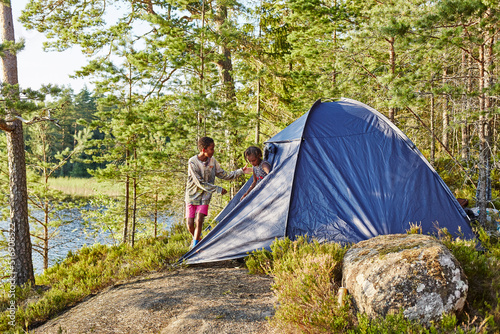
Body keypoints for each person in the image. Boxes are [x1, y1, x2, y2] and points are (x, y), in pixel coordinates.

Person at [185, 136, 252, 248]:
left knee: (199, 220)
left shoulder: (213, 161)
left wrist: (240, 171)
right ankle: (198, 239)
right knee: (190, 225)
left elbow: (223, 174)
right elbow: (199, 183)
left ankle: (195, 247)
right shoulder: (192, 162)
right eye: (211, 148)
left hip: (205, 196)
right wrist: (218, 189)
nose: (213, 151)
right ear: (203, 150)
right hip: (192, 196)